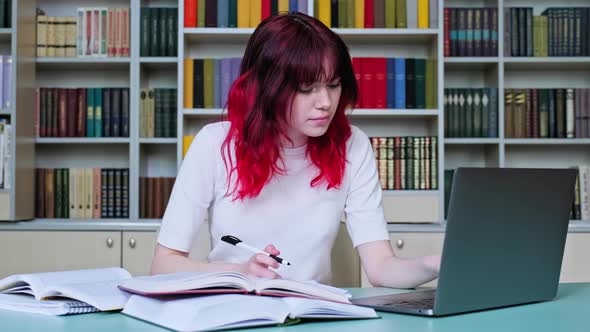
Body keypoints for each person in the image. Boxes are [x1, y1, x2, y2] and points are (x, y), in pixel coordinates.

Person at [151, 12, 440, 289]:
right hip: (231, 307)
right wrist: (241, 271)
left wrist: (436, 263)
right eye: (306, 88)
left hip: (313, 312)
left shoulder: (353, 145)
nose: (326, 102)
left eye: (334, 85)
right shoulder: (214, 144)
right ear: (267, 87)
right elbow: (163, 266)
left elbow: (380, 268)